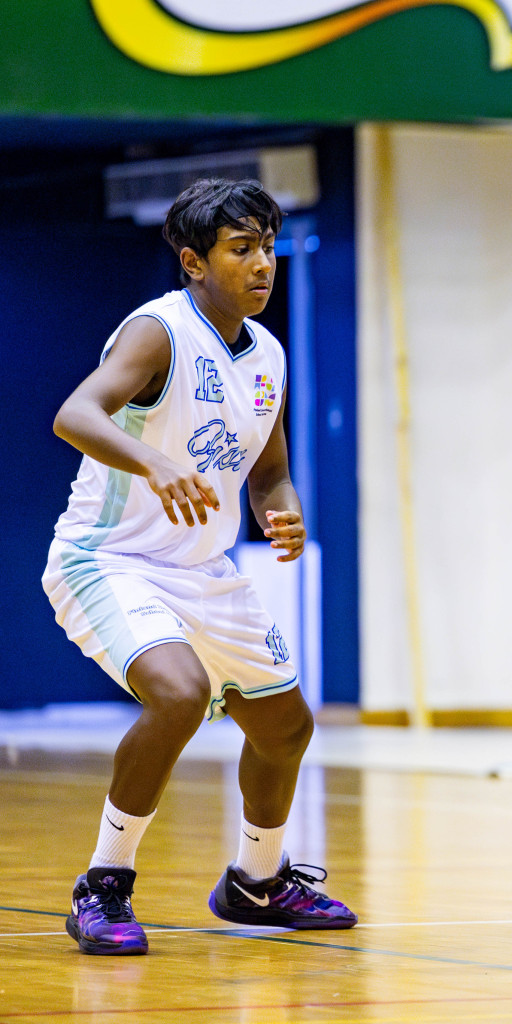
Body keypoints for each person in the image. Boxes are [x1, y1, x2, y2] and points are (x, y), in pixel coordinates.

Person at [43, 179, 355, 956]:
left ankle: (256, 883)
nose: (263, 264)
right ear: (193, 261)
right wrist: (152, 462)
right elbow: (74, 413)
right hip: (107, 558)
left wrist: (281, 510)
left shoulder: (270, 354)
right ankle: (103, 886)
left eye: (268, 247)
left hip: (202, 566)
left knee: (286, 728)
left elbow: (268, 469)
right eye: (241, 248)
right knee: (179, 694)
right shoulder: (159, 332)